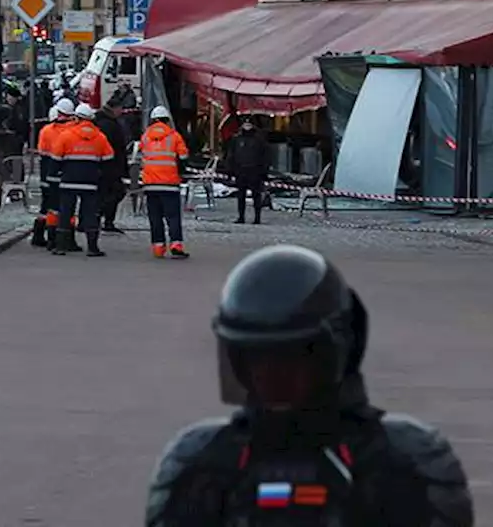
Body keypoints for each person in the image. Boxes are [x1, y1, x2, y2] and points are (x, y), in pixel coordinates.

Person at [144, 245, 475, 527]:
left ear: (336, 353)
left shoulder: (403, 462)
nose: (271, 375)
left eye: (290, 358)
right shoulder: (202, 464)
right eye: (257, 359)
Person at [52, 102, 113, 257]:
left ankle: (60, 246)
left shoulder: (66, 135)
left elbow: (56, 158)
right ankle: (92, 248)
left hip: (68, 180)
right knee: (90, 214)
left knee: (66, 213)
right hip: (91, 182)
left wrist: (56, 174)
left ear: (76, 118)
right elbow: (108, 159)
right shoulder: (100, 137)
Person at [139, 105, 190, 259]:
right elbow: (183, 157)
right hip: (170, 183)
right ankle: (176, 244)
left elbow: (142, 155)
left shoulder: (146, 136)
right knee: (173, 216)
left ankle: (158, 247)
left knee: (155, 217)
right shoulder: (174, 136)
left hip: (150, 184)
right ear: (168, 120)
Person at [34, 100, 73, 250]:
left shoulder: (46, 130)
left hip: (47, 173)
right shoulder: (71, 131)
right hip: (65, 173)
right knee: (65, 207)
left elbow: (42, 152)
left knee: (47, 206)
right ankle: (64, 238)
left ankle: (41, 235)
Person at [225, 116, 270, 225]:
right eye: (245, 125)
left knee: (256, 195)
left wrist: (264, 171)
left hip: (255, 171)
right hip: (241, 170)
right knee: (241, 195)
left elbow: (265, 156)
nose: (247, 126)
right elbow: (231, 155)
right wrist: (230, 170)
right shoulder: (237, 139)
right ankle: (241, 217)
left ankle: (257, 217)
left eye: (249, 125)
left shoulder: (259, 140)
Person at [93, 97, 128, 233]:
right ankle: (102, 218)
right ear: (114, 108)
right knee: (115, 192)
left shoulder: (104, 121)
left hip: (106, 165)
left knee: (107, 193)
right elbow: (115, 147)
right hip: (110, 166)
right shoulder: (108, 124)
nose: (122, 111)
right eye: (120, 109)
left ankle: (102, 219)